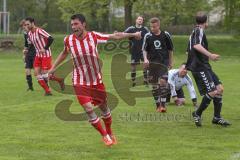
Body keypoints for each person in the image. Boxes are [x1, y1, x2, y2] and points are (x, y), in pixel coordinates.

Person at [48, 14, 141, 146]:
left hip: (96, 80)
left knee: (104, 108)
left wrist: (133, 34)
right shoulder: (68, 40)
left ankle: (109, 131)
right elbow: (64, 53)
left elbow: (115, 36)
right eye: (72, 24)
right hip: (79, 80)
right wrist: (52, 69)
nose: (74, 27)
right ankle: (104, 136)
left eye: (76, 24)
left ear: (83, 24)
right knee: (88, 108)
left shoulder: (93, 36)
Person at [186, 12, 231, 126]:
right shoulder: (199, 30)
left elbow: (189, 50)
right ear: (206, 22)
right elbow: (196, 45)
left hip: (205, 66)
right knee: (212, 91)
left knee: (219, 88)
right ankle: (197, 113)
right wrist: (210, 55)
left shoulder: (195, 31)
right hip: (200, 67)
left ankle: (216, 117)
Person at [24, 17, 64, 96]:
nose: (27, 26)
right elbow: (32, 43)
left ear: (33, 23)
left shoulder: (39, 31)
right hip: (38, 55)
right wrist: (26, 50)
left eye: (28, 24)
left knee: (45, 75)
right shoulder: (29, 33)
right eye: (26, 24)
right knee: (37, 74)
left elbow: (51, 38)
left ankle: (59, 80)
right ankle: (48, 91)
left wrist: (45, 48)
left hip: (46, 55)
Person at [142, 17, 174, 113]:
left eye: (154, 27)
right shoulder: (148, 36)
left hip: (163, 62)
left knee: (163, 82)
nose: (152, 29)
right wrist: (145, 59)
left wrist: (171, 61)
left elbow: (170, 49)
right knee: (155, 85)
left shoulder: (166, 35)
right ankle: (157, 106)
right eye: (151, 27)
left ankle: (163, 105)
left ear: (158, 26)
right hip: (152, 63)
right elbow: (144, 49)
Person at [124, 16, 149, 87]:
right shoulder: (131, 28)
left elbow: (150, 37)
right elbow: (124, 34)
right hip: (134, 51)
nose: (140, 20)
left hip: (143, 50)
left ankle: (145, 80)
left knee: (145, 65)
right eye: (139, 19)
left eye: (141, 19)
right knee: (133, 67)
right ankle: (133, 81)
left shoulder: (145, 29)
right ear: (136, 20)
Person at [20, 19, 36, 91]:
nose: (24, 28)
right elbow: (26, 44)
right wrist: (24, 52)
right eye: (22, 27)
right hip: (29, 54)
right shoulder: (25, 33)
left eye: (24, 26)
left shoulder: (34, 32)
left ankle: (47, 85)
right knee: (27, 70)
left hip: (36, 53)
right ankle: (30, 87)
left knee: (39, 72)